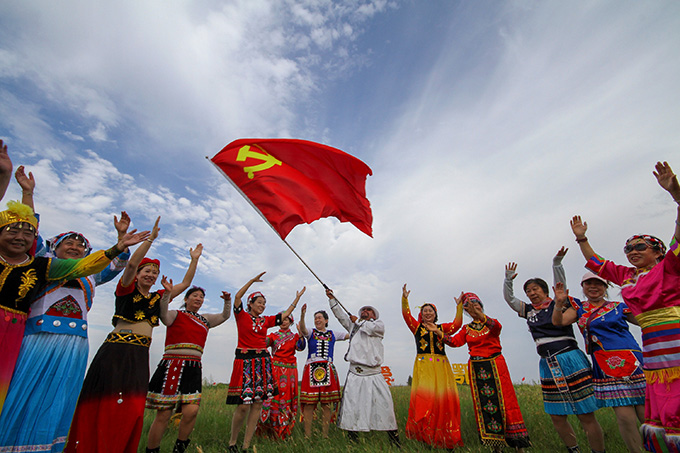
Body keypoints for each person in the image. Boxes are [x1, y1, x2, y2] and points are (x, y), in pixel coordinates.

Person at [568, 161, 680, 452]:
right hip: (653, 343)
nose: (632, 252)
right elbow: (597, 263)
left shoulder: (670, 266)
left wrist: (676, 196)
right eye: (628, 249)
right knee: (662, 399)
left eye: (639, 247)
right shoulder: (627, 276)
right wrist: (581, 237)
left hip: (675, 333)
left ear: (658, 250)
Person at [65, 218, 202, 453]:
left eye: (154, 272)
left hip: (139, 355)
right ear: (138, 274)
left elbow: (187, 282)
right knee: (106, 404)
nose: (151, 275)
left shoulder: (158, 297)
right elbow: (130, 265)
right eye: (147, 271)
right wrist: (150, 240)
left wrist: (194, 260)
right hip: (116, 352)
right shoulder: (126, 288)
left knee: (131, 408)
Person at [0, 215, 136, 452]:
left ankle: (46, 447)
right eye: (69, 243)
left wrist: (120, 238)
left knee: (59, 398)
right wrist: (27, 195)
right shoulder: (42, 265)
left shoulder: (92, 274)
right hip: (37, 340)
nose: (75, 247)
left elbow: (116, 265)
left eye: (81, 245)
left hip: (74, 345)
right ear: (55, 247)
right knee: (22, 392)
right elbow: (30, 236)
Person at [504, 262, 604, 453]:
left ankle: (599, 452)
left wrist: (556, 264)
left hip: (570, 358)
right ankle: (573, 450)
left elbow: (560, 287)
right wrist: (508, 280)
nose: (532, 293)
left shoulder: (559, 304)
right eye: (528, 291)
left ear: (544, 289)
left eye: (535, 289)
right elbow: (510, 300)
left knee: (585, 413)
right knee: (557, 415)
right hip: (548, 364)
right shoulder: (529, 311)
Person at [434, 292, 530, 452]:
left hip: (496, 365)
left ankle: (518, 446)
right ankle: (496, 446)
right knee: (485, 405)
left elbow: (497, 328)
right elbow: (455, 342)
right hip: (477, 368)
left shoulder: (491, 324)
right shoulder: (467, 329)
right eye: (470, 307)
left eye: (476, 305)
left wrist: (479, 314)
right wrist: (438, 333)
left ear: (481, 306)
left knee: (506, 403)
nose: (474, 309)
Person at [145, 285, 233, 453]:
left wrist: (227, 302)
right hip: (172, 364)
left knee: (191, 411)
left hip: (193, 366)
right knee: (164, 414)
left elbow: (224, 316)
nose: (198, 298)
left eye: (201, 296)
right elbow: (163, 315)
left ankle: (179, 448)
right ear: (186, 299)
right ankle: (152, 450)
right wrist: (167, 294)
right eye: (195, 295)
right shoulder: (175, 314)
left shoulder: (204, 319)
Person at [226, 272, 304, 452]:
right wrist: (251, 281)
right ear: (251, 304)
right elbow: (237, 297)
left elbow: (285, 314)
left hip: (263, 362)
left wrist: (296, 299)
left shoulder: (265, 321)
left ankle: (246, 445)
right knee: (243, 405)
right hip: (245, 361)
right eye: (259, 302)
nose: (262, 305)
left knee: (258, 403)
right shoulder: (241, 316)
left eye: (264, 303)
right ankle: (232, 442)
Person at [326, 288, 400, 446]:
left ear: (374, 315)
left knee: (385, 406)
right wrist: (332, 299)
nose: (365, 311)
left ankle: (394, 440)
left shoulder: (378, 325)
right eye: (363, 310)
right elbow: (340, 316)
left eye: (369, 310)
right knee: (352, 407)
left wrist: (357, 321)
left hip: (374, 374)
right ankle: (353, 441)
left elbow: (371, 328)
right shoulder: (354, 326)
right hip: (355, 373)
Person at [401, 283, 464, 449]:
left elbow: (457, 325)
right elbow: (406, 316)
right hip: (423, 367)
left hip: (441, 366)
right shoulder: (417, 328)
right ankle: (425, 437)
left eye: (430, 311)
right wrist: (405, 300)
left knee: (443, 400)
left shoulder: (443, 328)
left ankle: (445, 437)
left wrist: (459, 307)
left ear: (435, 314)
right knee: (425, 400)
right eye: (425, 311)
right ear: (421, 314)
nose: (427, 313)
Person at [298, 303, 349, 438]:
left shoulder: (333, 333)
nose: (317, 320)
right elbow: (302, 330)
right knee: (309, 403)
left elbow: (350, 335)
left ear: (326, 320)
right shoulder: (311, 332)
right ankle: (307, 436)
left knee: (326, 403)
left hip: (327, 367)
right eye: (315, 318)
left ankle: (325, 435)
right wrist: (302, 315)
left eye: (320, 317)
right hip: (312, 368)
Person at [255, 306, 306, 440]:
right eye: (282, 319)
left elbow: (300, 348)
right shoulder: (273, 336)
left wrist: (301, 335)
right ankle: (268, 429)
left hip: (289, 371)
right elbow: (261, 343)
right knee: (272, 398)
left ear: (290, 321)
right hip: (275, 369)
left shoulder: (294, 336)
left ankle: (283, 429)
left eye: (287, 319)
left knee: (286, 398)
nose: (284, 322)